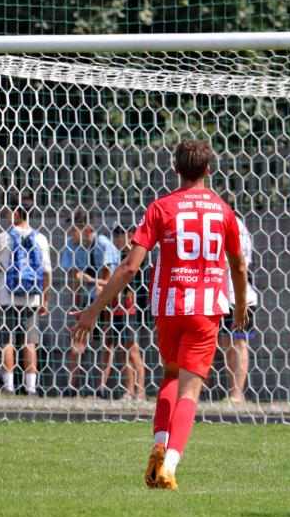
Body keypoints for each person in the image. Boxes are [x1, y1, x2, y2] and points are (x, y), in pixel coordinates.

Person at [70, 139, 248, 491]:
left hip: (169, 307)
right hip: (206, 310)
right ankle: (169, 465)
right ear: (208, 170)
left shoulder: (161, 207)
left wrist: (93, 309)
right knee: (190, 391)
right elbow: (239, 266)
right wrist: (240, 303)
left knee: (170, 375)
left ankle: (158, 444)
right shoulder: (223, 211)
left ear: (176, 169)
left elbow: (129, 266)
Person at [0, 203, 52, 396]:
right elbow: (47, 272)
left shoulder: (4, 237)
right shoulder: (40, 238)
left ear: (16, 212)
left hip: (6, 297)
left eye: (8, 210)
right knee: (30, 342)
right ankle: (31, 387)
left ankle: (9, 386)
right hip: (31, 298)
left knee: (7, 341)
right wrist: (45, 299)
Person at [59, 209, 121, 397]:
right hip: (86, 298)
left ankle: (101, 387)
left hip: (106, 299)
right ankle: (71, 386)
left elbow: (109, 282)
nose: (71, 234)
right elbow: (74, 280)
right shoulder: (72, 246)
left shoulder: (103, 244)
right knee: (78, 339)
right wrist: (77, 305)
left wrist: (90, 280)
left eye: (74, 230)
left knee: (106, 342)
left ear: (86, 230)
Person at [217, 214, 258, 404]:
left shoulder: (234, 225)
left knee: (239, 343)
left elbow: (234, 262)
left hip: (240, 296)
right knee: (226, 343)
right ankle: (231, 391)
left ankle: (237, 394)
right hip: (223, 296)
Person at [107, 225, 146, 400]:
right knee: (123, 352)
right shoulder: (116, 256)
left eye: (119, 236)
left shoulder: (135, 255)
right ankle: (128, 390)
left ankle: (140, 391)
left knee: (133, 352)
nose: (117, 240)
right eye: (115, 237)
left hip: (131, 310)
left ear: (129, 236)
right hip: (117, 310)